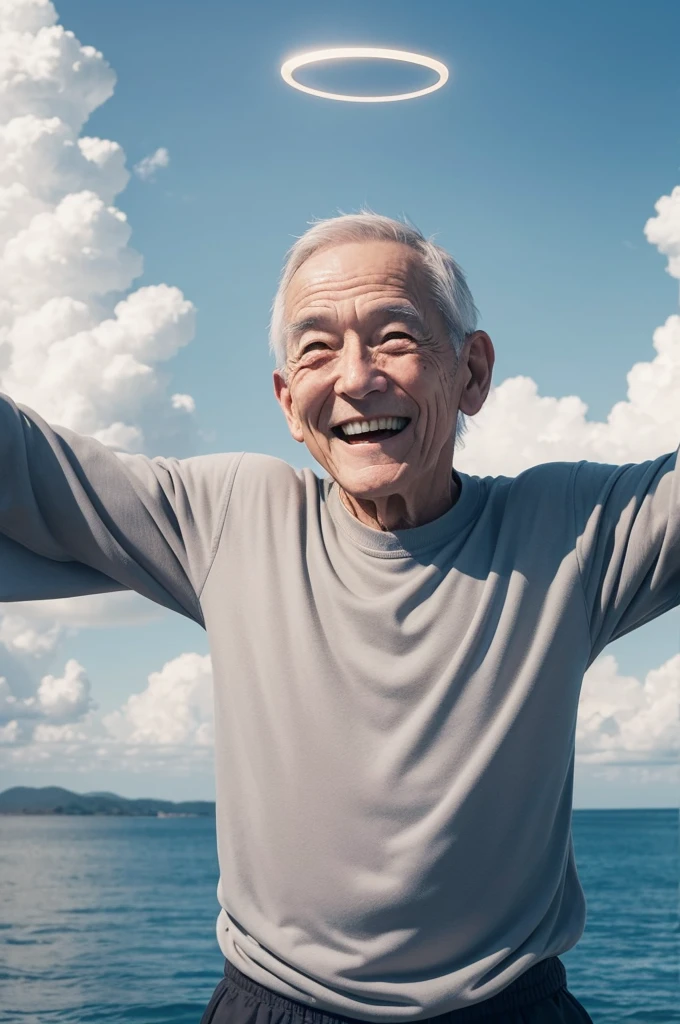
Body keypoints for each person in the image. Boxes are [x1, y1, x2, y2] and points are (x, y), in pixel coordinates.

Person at [2, 212, 678, 1024]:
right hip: (275, 1007)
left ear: (473, 371)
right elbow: (26, 461)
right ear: (289, 401)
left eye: (395, 336)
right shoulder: (229, 514)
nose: (356, 378)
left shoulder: (572, 528)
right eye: (316, 348)